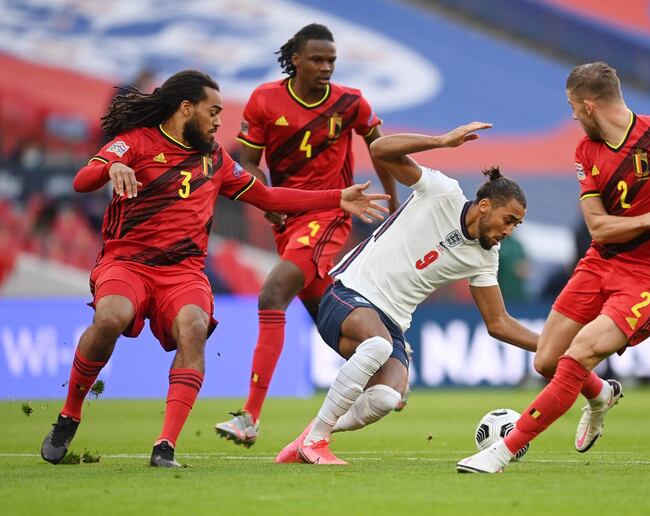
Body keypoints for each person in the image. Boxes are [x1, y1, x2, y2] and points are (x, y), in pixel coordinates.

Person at [39, 70, 390, 468]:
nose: (220, 121)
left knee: (194, 328)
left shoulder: (215, 160)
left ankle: (165, 447)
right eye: (214, 111)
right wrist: (109, 168)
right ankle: (70, 415)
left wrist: (336, 198)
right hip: (128, 262)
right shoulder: (134, 143)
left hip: (184, 272)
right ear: (186, 108)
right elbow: (82, 180)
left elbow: (269, 196)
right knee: (112, 317)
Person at [457, 62, 650, 473]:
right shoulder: (585, 151)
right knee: (547, 361)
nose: (571, 115)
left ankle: (502, 451)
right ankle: (601, 394)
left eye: (572, 107)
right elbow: (598, 227)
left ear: (589, 105)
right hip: (600, 263)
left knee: (579, 355)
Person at [274, 122, 540, 465]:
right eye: (509, 219)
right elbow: (379, 150)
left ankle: (305, 438)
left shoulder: (485, 257)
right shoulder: (442, 192)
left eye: (516, 224)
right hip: (348, 294)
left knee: (385, 398)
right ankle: (317, 442)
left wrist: (552, 345)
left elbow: (499, 323)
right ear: (485, 205)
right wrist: (441, 141)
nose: (510, 230)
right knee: (378, 345)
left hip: (391, 324)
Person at [215, 23, 398, 447]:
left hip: (333, 213)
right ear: (295, 59)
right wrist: (267, 204)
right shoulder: (264, 101)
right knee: (327, 316)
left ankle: (250, 417)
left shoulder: (350, 102)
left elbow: (382, 149)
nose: (326, 67)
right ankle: (390, 377)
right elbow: (249, 166)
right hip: (290, 218)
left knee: (272, 293)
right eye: (317, 59)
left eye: (331, 60)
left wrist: (393, 204)